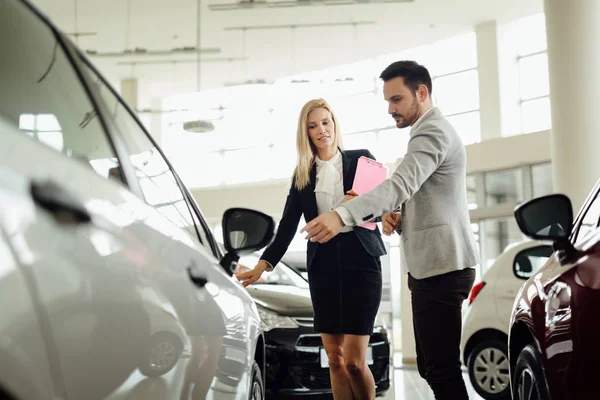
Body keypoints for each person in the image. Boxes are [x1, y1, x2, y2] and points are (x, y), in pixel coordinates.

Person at [301, 61, 479, 400]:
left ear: (421, 92)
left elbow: (400, 184)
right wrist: (397, 216)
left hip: (443, 265)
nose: (390, 109)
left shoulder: (433, 131)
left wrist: (341, 216)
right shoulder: (425, 133)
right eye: (387, 101)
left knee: (440, 369)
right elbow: (417, 194)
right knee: (430, 366)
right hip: (432, 265)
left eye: (396, 100)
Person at [236, 98, 386, 400]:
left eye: (326, 122)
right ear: (306, 133)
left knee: (356, 362)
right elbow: (287, 227)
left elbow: (381, 209)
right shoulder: (302, 175)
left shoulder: (361, 161)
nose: (322, 130)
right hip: (324, 269)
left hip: (362, 264)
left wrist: (355, 202)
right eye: (313, 125)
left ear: (335, 124)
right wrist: (261, 266)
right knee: (335, 359)